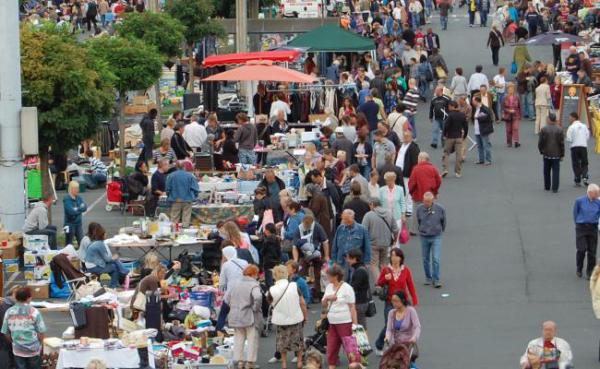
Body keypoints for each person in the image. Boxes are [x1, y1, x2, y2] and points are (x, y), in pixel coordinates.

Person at [375, 248, 418, 354]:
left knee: (404, 324)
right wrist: (385, 278)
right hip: (390, 302)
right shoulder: (386, 270)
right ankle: (380, 344)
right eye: (392, 256)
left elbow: (410, 285)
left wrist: (415, 300)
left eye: (396, 256)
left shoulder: (406, 270)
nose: (394, 258)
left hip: (403, 303)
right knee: (388, 325)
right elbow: (378, 283)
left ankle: (398, 344)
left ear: (401, 258)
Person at [269, 265, 307, 369]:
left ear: (275, 275)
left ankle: (284, 364)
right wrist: (305, 316)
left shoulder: (272, 289)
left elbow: (271, 303)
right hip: (296, 318)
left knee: (282, 342)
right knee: (298, 341)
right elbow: (302, 303)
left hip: (281, 320)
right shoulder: (294, 286)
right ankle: (299, 362)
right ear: (286, 274)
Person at [225, 265, 263, 369]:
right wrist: (255, 308)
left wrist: (233, 306)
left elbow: (227, 298)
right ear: (253, 274)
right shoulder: (254, 285)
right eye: (257, 274)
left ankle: (240, 361)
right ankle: (249, 363)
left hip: (235, 315)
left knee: (238, 338)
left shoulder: (235, 284)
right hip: (249, 315)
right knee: (252, 339)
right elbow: (258, 297)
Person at [1, 287, 46, 369]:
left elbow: (5, 332)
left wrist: (13, 341)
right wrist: (40, 344)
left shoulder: (9, 312)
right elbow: (41, 332)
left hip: (17, 348)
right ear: (28, 298)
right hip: (33, 348)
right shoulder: (34, 311)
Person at [322, 265, 357, 369]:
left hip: (345, 322)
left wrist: (354, 324)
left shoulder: (347, 288)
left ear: (336, 276)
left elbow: (352, 307)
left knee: (350, 349)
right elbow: (324, 305)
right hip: (332, 322)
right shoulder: (328, 287)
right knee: (331, 348)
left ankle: (354, 365)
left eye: (328, 276)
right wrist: (328, 298)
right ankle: (332, 364)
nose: (327, 278)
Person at [363, 197, 399, 285]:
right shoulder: (389, 213)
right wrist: (395, 240)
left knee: (374, 265)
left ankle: (379, 284)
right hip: (386, 243)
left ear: (372, 204)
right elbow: (396, 229)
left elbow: (363, 230)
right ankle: (387, 282)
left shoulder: (369, 215)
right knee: (383, 264)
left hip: (373, 243)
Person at [416, 192, 446, 288]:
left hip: (436, 236)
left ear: (433, 201)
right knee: (425, 259)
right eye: (425, 201)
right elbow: (418, 220)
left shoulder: (440, 209)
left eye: (428, 201)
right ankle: (428, 277)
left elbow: (443, 221)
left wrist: (441, 230)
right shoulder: (419, 209)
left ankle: (436, 280)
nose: (426, 203)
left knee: (436, 259)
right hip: (424, 236)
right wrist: (421, 230)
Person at [215, 246, 249, 332]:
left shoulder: (226, 265)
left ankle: (218, 331)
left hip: (231, 292)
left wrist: (221, 292)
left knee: (223, 312)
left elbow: (222, 283)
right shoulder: (245, 262)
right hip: (244, 291)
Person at [84, 223, 128, 288]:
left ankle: (118, 279)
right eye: (105, 234)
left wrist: (114, 257)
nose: (106, 235)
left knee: (114, 262)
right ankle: (114, 285)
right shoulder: (100, 244)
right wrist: (115, 257)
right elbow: (107, 259)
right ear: (102, 235)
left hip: (89, 265)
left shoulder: (94, 242)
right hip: (93, 267)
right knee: (114, 267)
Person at [408, 152, 441, 234]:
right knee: (431, 211)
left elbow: (412, 183)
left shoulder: (416, 169)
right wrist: (435, 191)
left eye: (419, 158)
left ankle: (414, 230)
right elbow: (438, 181)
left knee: (416, 212)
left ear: (421, 159)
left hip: (418, 194)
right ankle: (431, 228)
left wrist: (411, 192)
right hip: (430, 194)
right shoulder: (433, 168)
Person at [573, 184, 600, 279]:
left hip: (593, 228)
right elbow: (575, 213)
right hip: (581, 227)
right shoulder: (579, 201)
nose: (598, 194)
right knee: (581, 249)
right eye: (597, 193)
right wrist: (578, 223)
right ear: (590, 192)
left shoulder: (598, 202)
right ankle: (579, 268)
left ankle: (590, 272)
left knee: (592, 251)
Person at [166, 160, 199, 228]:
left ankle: (174, 233)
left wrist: (169, 196)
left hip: (175, 200)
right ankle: (185, 234)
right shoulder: (190, 176)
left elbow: (167, 189)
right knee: (186, 220)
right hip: (187, 200)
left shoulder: (171, 176)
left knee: (174, 220)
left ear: (176, 167)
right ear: (184, 167)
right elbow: (196, 189)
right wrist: (194, 197)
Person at [538, 113, 564, 193]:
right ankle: (555, 188)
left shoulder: (544, 129)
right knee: (556, 171)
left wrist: (541, 150)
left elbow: (540, 142)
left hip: (546, 153)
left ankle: (547, 186)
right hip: (556, 154)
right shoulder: (560, 129)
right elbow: (561, 143)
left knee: (546, 170)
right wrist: (562, 154)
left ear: (549, 119)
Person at [396, 130, 420, 215]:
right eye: (404, 137)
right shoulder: (402, 145)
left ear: (411, 137)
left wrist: (413, 174)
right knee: (402, 190)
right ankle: (404, 207)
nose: (405, 138)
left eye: (407, 137)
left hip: (408, 173)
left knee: (408, 190)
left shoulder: (413, 148)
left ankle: (409, 208)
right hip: (400, 172)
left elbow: (415, 162)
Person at [441, 100, 468, 178]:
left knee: (446, 153)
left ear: (452, 106)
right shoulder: (462, 115)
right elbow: (465, 126)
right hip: (459, 137)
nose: (448, 107)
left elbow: (446, 126)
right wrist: (465, 134)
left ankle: (445, 169)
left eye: (449, 106)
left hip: (450, 137)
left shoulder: (450, 115)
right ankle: (458, 172)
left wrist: (444, 134)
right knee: (459, 155)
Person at [346, 249, 371, 329]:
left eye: (349, 258)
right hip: (362, 302)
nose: (347, 260)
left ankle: (364, 341)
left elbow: (353, 287)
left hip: (359, 303)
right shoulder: (360, 268)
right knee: (361, 326)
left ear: (354, 258)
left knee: (360, 327)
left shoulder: (359, 271)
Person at [566, 112, 590, 187]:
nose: (569, 119)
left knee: (575, 163)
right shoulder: (584, 126)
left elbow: (569, 139)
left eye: (570, 117)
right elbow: (587, 135)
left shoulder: (571, 127)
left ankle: (577, 178)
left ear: (574, 118)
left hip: (574, 147)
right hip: (583, 146)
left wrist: (573, 140)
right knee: (584, 162)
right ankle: (585, 176)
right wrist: (582, 140)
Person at [472, 96, 494, 166]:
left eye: (473, 101)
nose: (472, 102)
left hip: (483, 129)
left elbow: (487, 117)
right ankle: (481, 159)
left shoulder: (484, 108)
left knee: (485, 145)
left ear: (476, 101)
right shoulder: (476, 108)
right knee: (479, 146)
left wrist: (478, 117)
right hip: (477, 130)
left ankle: (488, 160)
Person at [63, 181, 87, 246]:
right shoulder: (66, 199)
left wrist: (76, 209)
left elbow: (85, 207)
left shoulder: (79, 197)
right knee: (69, 243)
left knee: (81, 241)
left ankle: (81, 255)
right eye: (76, 188)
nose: (78, 190)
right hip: (69, 225)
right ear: (71, 189)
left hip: (78, 224)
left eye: (78, 188)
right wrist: (80, 208)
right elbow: (71, 212)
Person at [261, 223, 281, 287]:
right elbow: (279, 251)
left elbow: (262, 252)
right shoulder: (277, 239)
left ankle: (270, 294)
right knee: (276, 279)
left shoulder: (267, 241)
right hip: (276, 261)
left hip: (268, 262)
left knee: (269, 281)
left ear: (268, 230)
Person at [503, 82, 522, 148]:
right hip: (508, 115)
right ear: (507, 90)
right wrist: (508, 110)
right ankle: (509, 142)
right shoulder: (505, 97)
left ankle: (516, 141)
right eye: (509, 89)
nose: (511, 90)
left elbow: (520, 106)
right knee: (508, 130)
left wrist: (520, 115)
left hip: (515, 115)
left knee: (515, 128)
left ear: (514, 90)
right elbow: (503, 107)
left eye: (512, 89)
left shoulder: (517, 97)